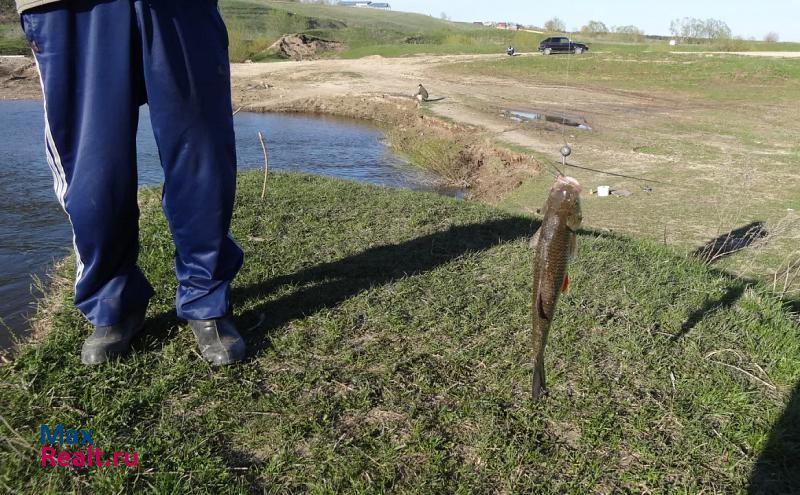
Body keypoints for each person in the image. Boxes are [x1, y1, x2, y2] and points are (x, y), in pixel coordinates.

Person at [16, 0, 246, 366]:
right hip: (69, 6)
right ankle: (113, 303)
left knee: (201, 156)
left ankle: (206, 299)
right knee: (92, 170)